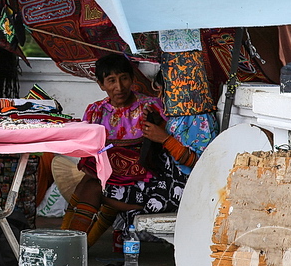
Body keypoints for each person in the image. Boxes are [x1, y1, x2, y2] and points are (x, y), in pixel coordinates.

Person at [60, 53, 217, 248]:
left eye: (124, 78)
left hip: (162, 188)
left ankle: (69, 249)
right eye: (111, 81)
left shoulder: (184, 116)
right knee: (90, 180)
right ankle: (67, 244)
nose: (119, 87)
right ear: (101, 84)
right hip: (140, 179)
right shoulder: (98, 110)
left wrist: (163, 136)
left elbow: (195, 162)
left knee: (92, 187)